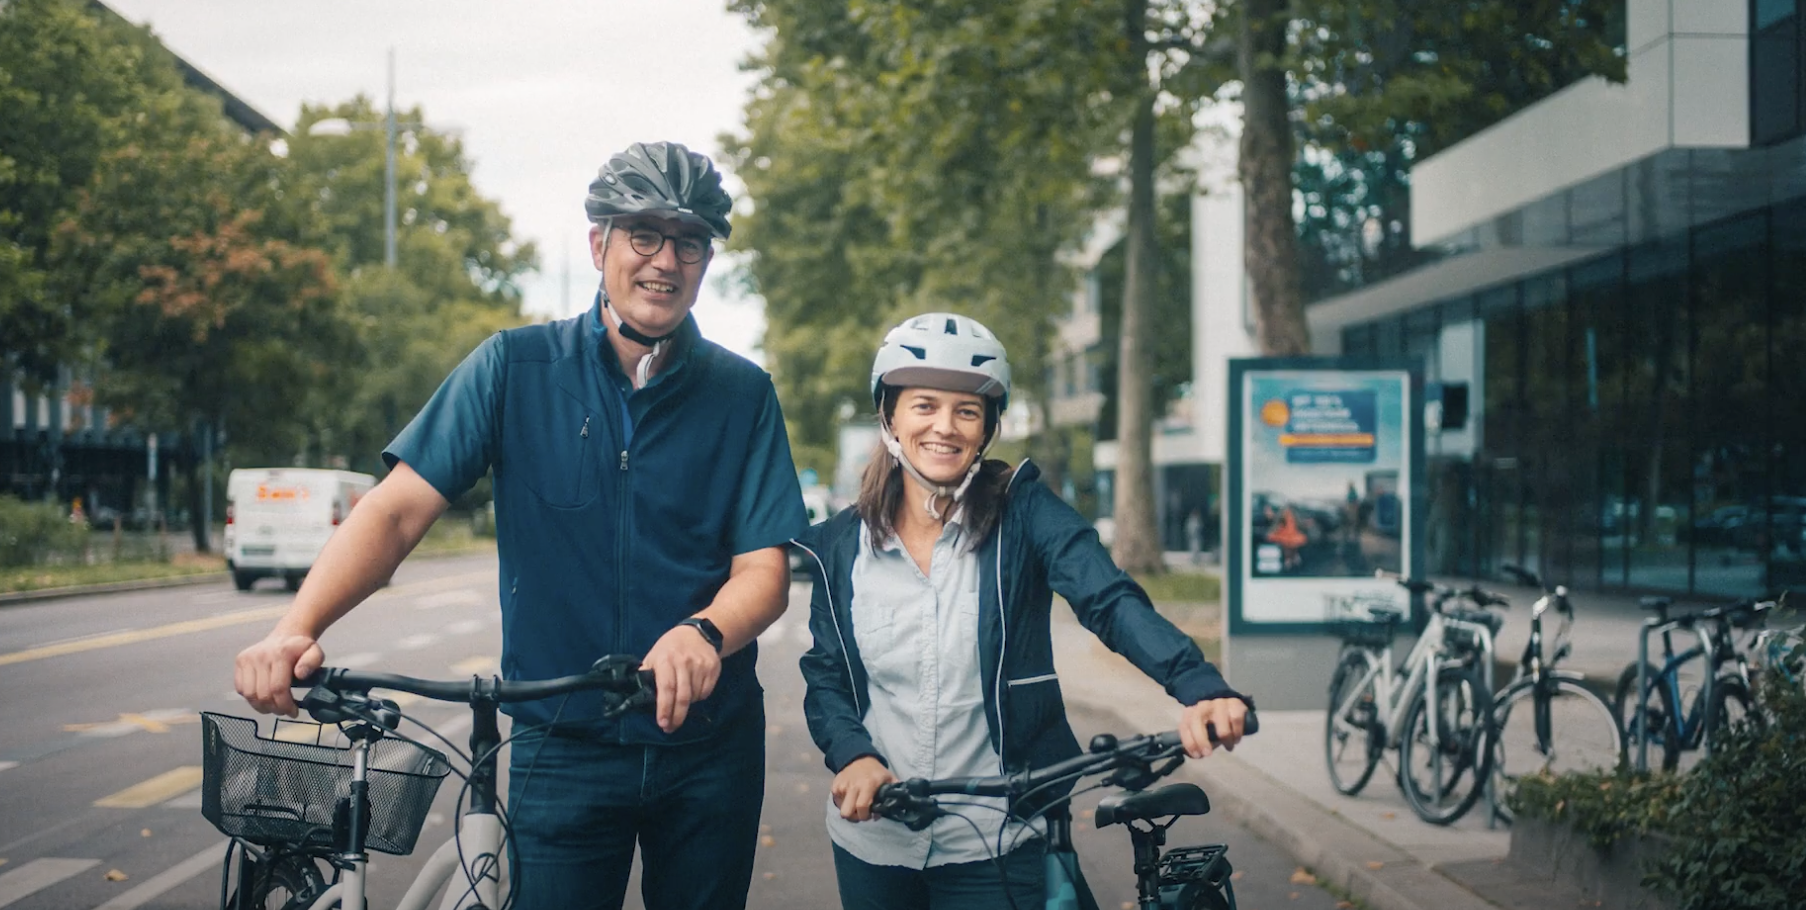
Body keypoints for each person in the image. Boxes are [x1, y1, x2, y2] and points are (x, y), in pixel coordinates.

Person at [233, 140, 808, 910]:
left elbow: (763, 572)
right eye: (645, 235)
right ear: (599, 242)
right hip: (558, 744)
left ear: (707, 260)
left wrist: (703, 633)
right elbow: (397, 511)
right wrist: (293, 627)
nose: (665, 261)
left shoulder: (743, 394)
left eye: (690, 241)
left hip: (708, 749)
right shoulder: (514, 367)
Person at [793, 313, 1251, 910]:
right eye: (924, 405)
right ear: (890, 415)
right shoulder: (839, 546)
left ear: (987, 426)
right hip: (876, 843)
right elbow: (826, 675)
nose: (945, 427)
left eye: (967, 410)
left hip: (1001, 840)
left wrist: (1197, 684)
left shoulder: (1023, 513)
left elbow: (1107, 598)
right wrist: (853, 755)